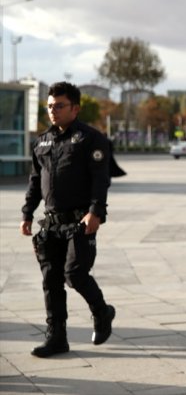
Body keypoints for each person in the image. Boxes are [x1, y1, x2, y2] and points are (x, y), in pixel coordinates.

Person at [20, 81, 116, 358]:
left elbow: (101, 178)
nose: (53, 111)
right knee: (51, 280)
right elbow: (36, 180)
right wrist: (27, 213)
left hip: (80, 221)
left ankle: (102, 311)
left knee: (74, 274)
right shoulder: (42, 141)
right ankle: (57, 337)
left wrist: (96, 211)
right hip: (50, 223)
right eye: (49, 106)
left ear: (75, 108)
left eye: (59, 106)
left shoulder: (91, 139)